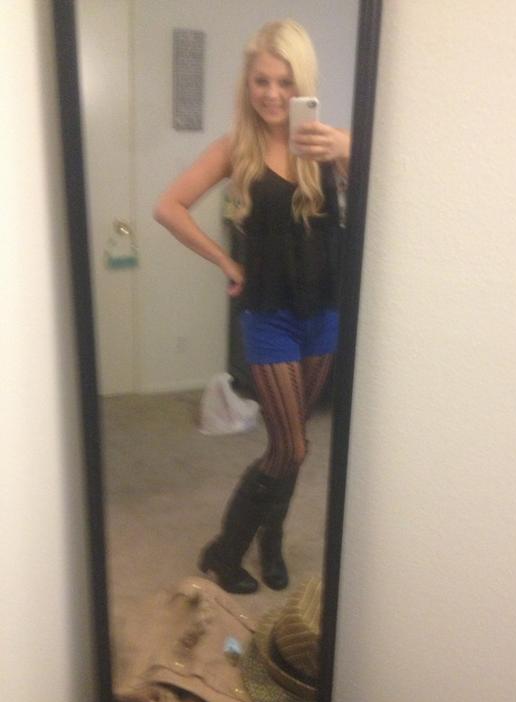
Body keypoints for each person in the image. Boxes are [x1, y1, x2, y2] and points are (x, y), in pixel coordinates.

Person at [154, 20, 350, 594]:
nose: (272, 94)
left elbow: (395, 185)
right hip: (269, 314)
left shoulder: (325, 144)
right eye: (262, 80)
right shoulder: (235, 148)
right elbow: (169, 207)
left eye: (285, 82)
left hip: (323, 312)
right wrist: (225, 260)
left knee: (291, 444)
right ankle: (224, 550)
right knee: (291, 445)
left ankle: (271, 542)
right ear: (248, 83)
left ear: (302, 84)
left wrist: (347, 148)